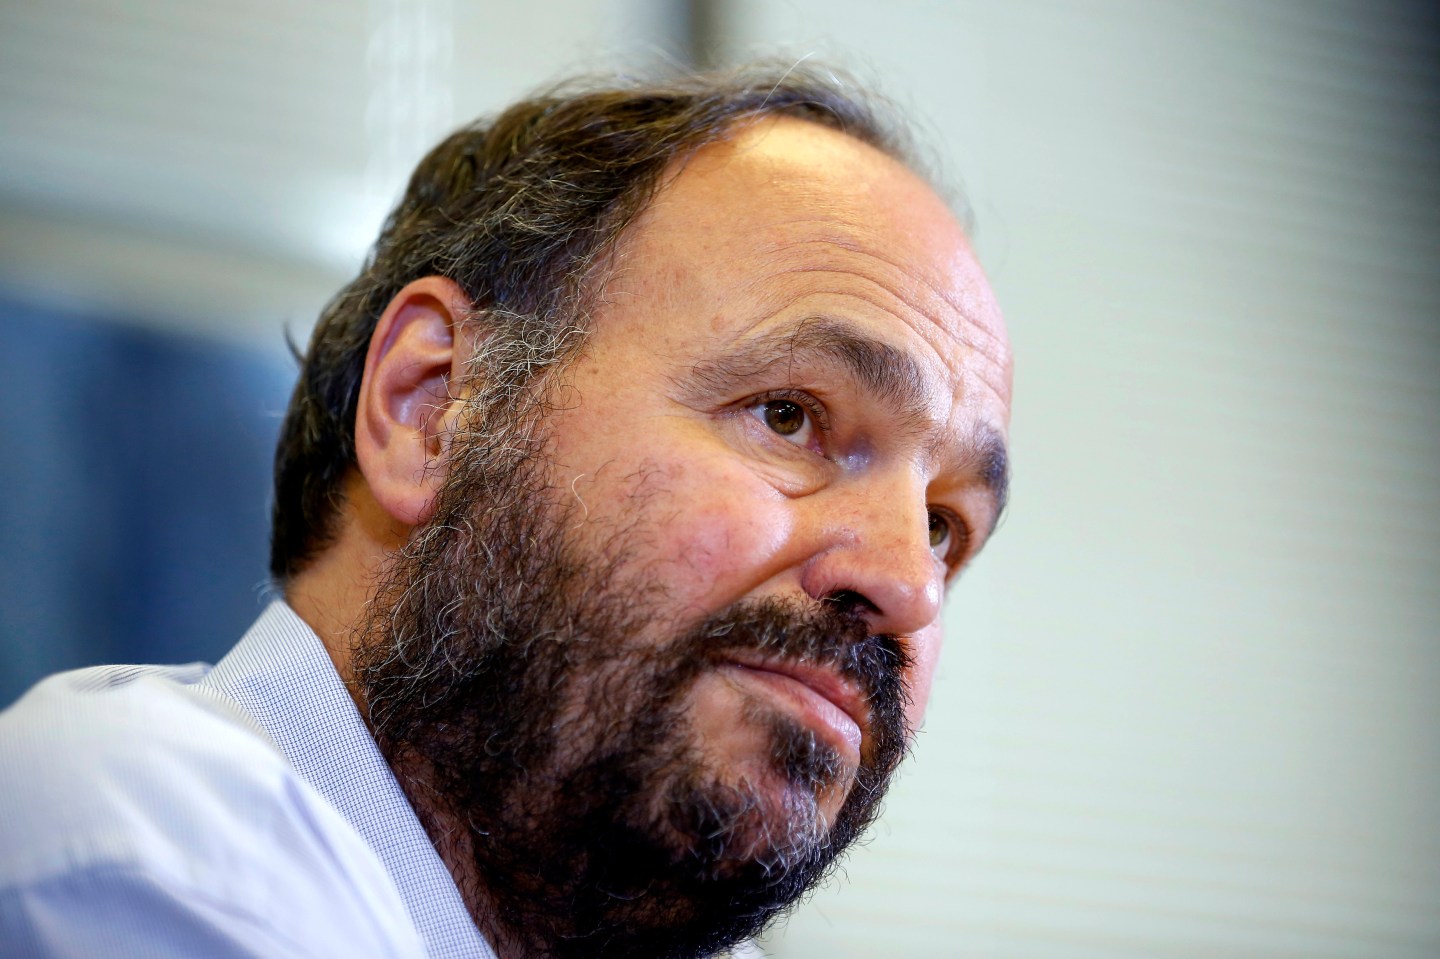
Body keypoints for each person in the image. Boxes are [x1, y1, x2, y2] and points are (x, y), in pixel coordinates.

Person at [0, 64, 1011, 959]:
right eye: (789, 417)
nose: (908, 584)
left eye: (943, 523)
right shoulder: (142, 863)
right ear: (431, 407)